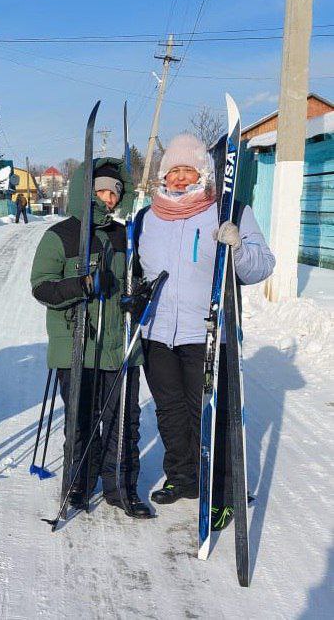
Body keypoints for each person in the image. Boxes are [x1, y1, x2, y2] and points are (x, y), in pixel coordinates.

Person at [136, 133, 274, 531]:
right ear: (163, 176)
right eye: (173, 171)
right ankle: (182, 476)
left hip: (207, 332)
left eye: (188, 170)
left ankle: (222, 491)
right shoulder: (148, 218)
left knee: (210, 413)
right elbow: (137, 272)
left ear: (204, 173)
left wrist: (238, 247)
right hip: (158, 333)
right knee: (171, 411)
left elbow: (261, 266)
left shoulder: (227, 211)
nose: (180, 179)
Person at [30, 158, 154, 518]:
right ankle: (77, 488)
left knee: (123, 421)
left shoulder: (125, 235)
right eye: (101, 190)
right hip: (77, 344)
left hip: (120, 346)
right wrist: (81, 285)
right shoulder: (62, 235)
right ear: (86, 191)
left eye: (114, 192)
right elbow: (42, 287)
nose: (108, 198)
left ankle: (122, 488)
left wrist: (138, 296)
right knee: (80, 421)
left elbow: (138, 279)